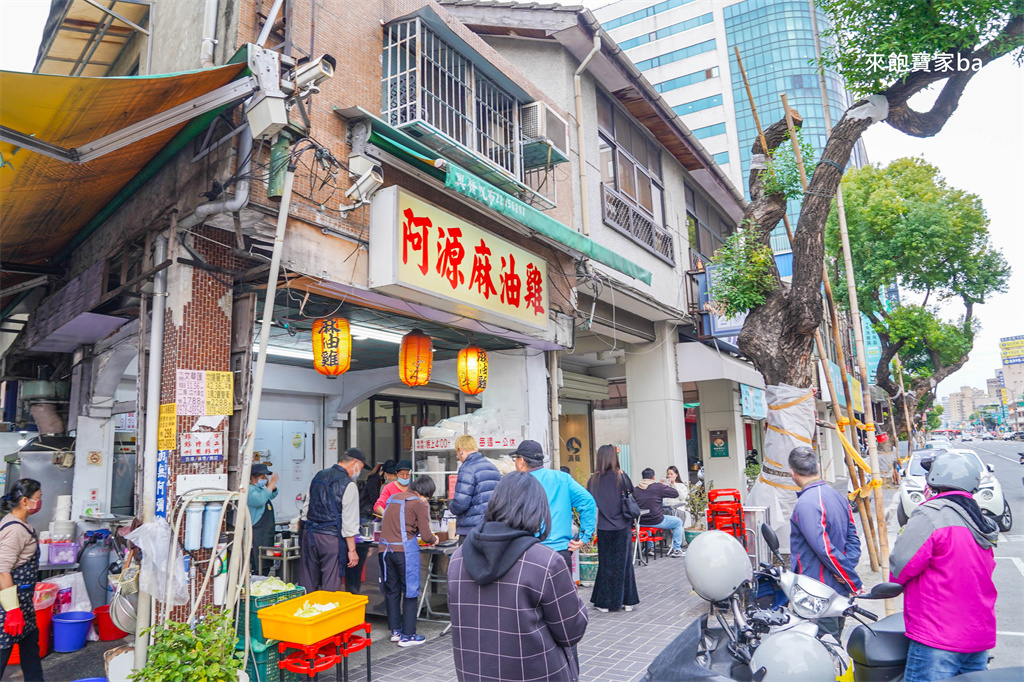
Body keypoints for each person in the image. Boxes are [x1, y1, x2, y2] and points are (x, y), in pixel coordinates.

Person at [448, 472, 588, 682]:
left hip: (475, 674)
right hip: (536, 673)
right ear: (537, 510)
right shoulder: (545, 561)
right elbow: (571, 631)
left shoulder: (458, 559)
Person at [891, 452, 998, 682]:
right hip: (978, 635)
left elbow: (901, 566)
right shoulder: (979, 520)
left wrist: (892, 585)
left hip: (939, 635)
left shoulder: (931, 515)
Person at [788, 446, 862, 641]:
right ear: (818, 467)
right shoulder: (836, 495)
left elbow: (825, 550)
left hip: (818, 593)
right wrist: (847, 567)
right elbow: (853, 537)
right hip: (836, 590)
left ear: (791, 472)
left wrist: (848, 577)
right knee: (833, 643)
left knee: (824, 649)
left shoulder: (806, 503)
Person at [511, 440, 597, 568]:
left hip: (529, 553)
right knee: (562, 588)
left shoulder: (517, 483)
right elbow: (588, 502)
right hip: (560, 553)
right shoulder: (562, 478)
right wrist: (584, 537)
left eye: (515, 459)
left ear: (522, 461)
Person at [379, 476, 437, 648]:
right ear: (426, 492)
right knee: (410, 591)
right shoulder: (419, 503)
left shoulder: (393, 498)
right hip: (404, 551)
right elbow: (426, 536)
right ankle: (408, 635)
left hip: (385, 551)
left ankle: (395, 631)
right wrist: (434, 539)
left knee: (392, 591)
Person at [299, 448, 365, 593]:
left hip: (310, 535)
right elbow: (349, 522)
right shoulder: (348, 485)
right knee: (331, 580)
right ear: (354, 463)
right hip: (331, 538)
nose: (359, 471)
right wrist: (352, 551)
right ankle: (327, 612)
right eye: (360, 467)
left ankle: (306, 612)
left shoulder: (319, 476)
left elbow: (306, 509)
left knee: (308, 579)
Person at [586, 445, 639, 613]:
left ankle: (606, 602)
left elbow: (589, 503)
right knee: (624, 564)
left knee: (606, 565)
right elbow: (632, 497)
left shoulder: (593, 480)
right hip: (622, 526)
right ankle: (628, 601)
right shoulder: (621, 477)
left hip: (604, 527)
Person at [0, 479, 43, 682]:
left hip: (22, 603)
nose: (40, 501)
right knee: (2, 652)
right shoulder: (15, 529)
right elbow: (2, 570)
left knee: (30, 649)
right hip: (8, 606)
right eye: (38, 498)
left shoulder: (22, 525)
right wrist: (12, 610)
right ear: (25, 500)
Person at [447, 435, 500, 540]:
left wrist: (451, 506)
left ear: (460, 450)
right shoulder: (493, 468)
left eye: (457, 454)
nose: (458, 457)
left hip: (471, 529)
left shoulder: (467, 468)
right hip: (491, 528)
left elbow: (461, 503)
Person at [633, 468, 684, 557]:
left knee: (647, 523)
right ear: (653, 477)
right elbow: (675, 494)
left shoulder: (636, 489)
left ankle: (649, 547)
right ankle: (677, 549)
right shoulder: (658, 486)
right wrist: (669, 484)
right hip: (656, 520)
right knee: (678, 522)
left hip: (640, 521)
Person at [247, 463, 279, 576]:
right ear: (252, 477)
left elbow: (271, 495)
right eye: (262, 477)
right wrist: (271, 484)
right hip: (256, 536)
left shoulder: (260, 489)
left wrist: (271, 486)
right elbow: (260, 500)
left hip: (266, 536)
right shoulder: (249, 490)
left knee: (266, 564)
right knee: (257, 565)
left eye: (266, 477)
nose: (265, 479)